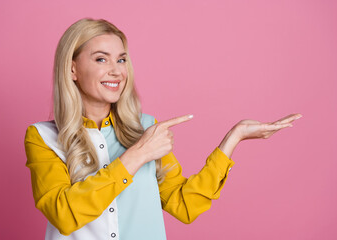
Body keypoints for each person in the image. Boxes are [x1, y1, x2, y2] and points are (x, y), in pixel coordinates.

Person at [24, 18, 302, 240]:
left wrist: (234, 138)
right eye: (101, 59)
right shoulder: (43, 137)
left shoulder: (147, 128)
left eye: (121, 60)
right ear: (72, 69)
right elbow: (63, 214)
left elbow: (184, 205)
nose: (117, 71)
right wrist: (137, 155)